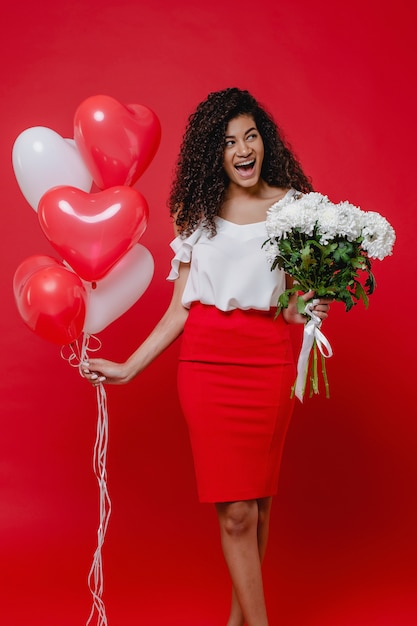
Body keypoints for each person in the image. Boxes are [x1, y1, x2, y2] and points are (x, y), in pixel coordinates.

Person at [82, 87, 330, 626]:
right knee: (237, 511)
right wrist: (128, 367)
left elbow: (288, 308)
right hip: (208, 368)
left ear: (264, 141)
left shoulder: (292, 206)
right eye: (228, 142)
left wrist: (311, 302)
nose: (244, 149)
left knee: (258, 507)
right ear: (211, 153)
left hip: (268, 363)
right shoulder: (194, 213)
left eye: (251, 136)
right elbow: (179, 309)